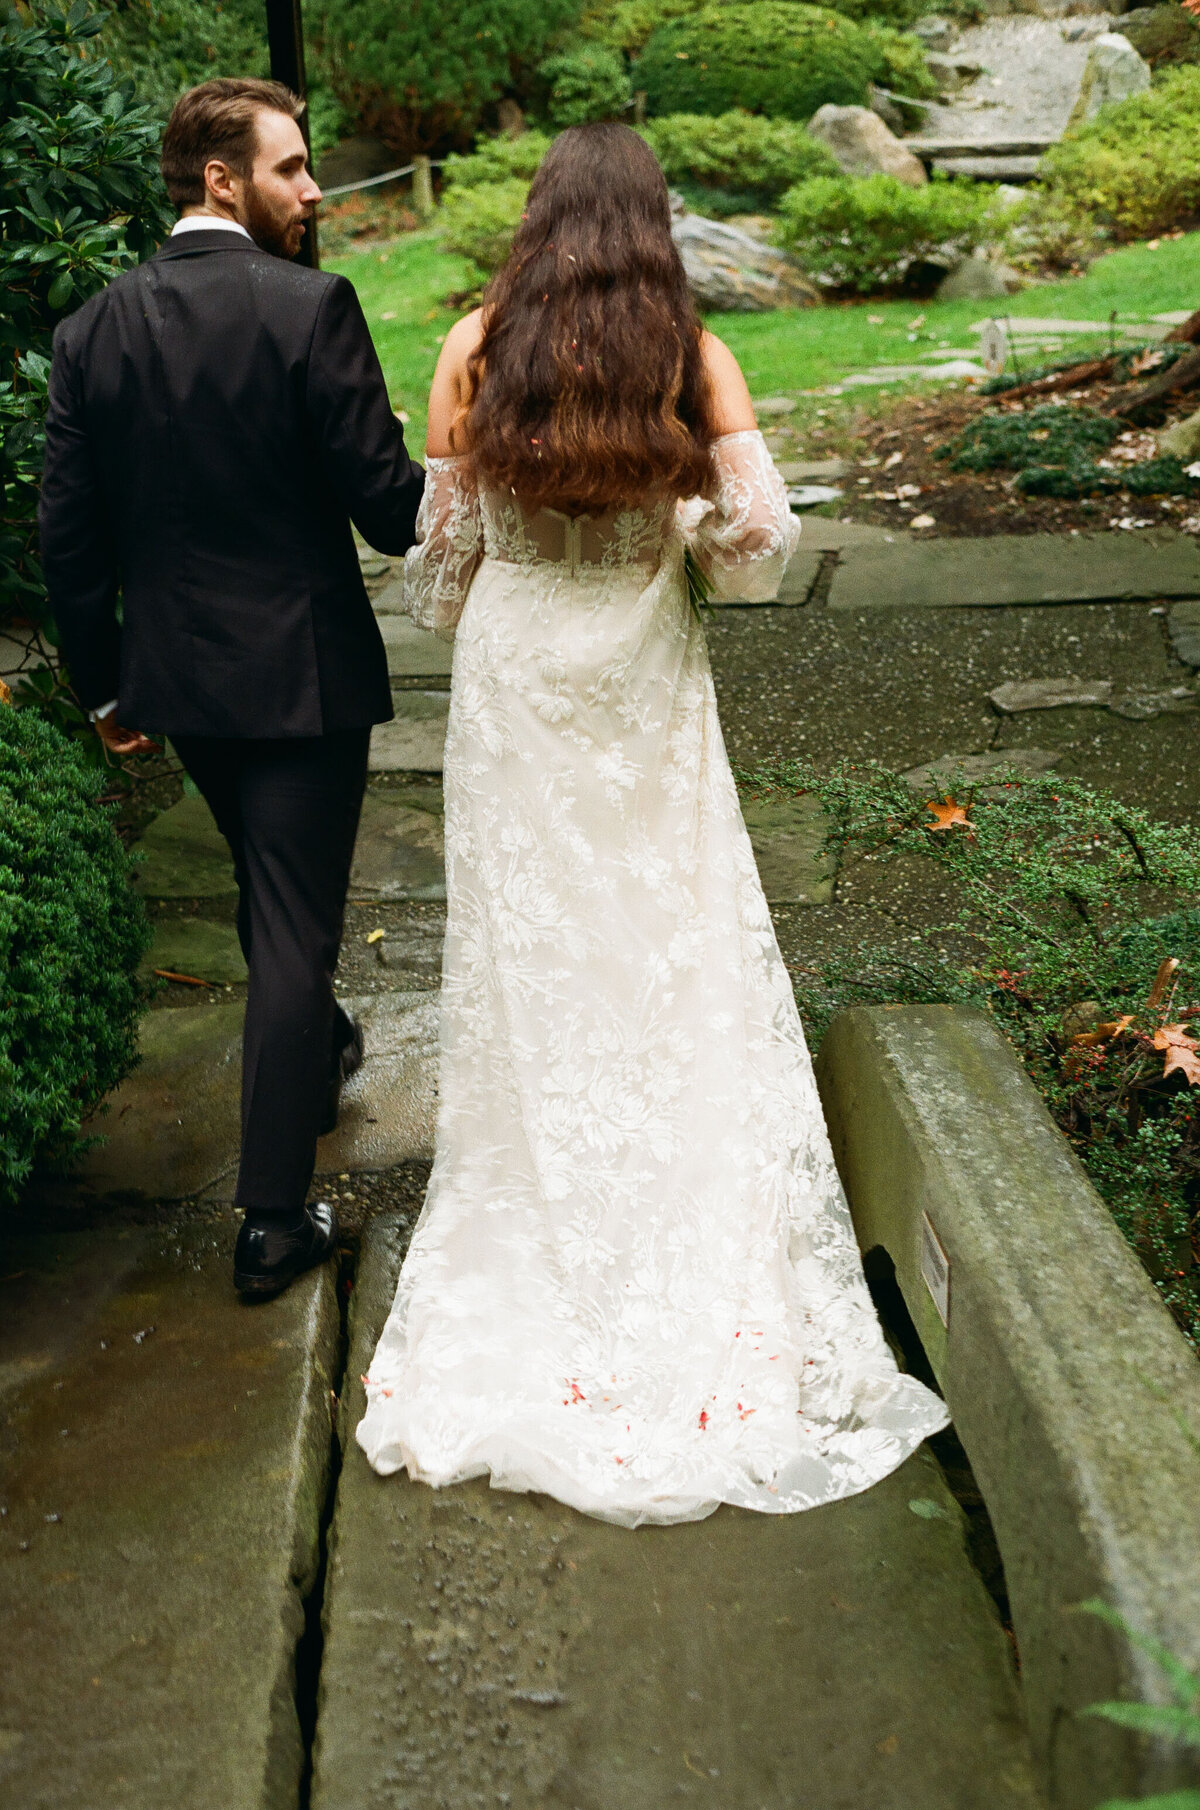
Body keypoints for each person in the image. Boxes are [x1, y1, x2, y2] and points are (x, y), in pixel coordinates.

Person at [356, 123, 949, 1526]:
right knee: (664, 941)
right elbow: (758, 549)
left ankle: (546, 1236)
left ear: (538, 219)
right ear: (652, 222)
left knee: (529, 957)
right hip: (640, 688)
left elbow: (436, 582)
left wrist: (523, 557)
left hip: (516, 694)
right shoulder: (687, 354)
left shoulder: (468, 347)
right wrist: (660, 535)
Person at [38, 79, 425, 1299]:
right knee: (295, 929)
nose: (314, 191)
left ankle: (315, 1054)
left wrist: (105, 691)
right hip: (303, 681)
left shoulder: (91, 329)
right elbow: (395, 512)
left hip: (176, 684)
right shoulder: (312, 309)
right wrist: (420, 448)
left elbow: (68, 538)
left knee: (277, 897)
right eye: (293, 168)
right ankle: (269, 1219)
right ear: (223, 179)